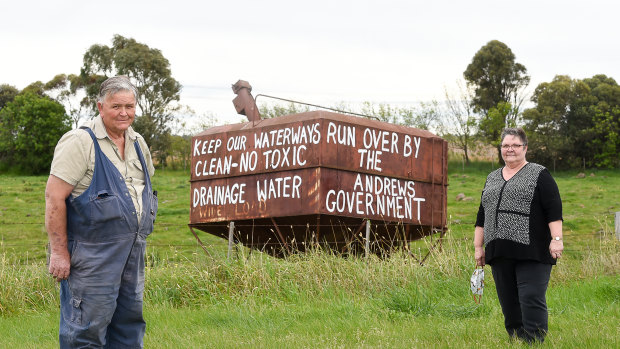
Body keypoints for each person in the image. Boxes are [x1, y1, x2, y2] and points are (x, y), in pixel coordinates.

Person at [45, 75, 157, 348]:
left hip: (132, 249)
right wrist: (59, 252)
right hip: (92, 254)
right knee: (86, 331)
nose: (124, 113)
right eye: (116, 106)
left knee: (129, 327)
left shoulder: (138, 142)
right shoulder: (80, 141)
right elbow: (54, 197)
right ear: (100, 106)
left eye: (129, 106)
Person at [474, 127, 563, 344]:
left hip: (533, 248)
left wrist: (556, 239)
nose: (510, 149)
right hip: (499, 250)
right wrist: (478, 247)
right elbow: (482, 213)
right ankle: (516, 338)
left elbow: (553, 208)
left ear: (525, 148)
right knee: (508, 300)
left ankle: (535, 341)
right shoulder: (492, 177)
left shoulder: (539, 173)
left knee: (530, 296)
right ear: (500, 149)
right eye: (505, 145)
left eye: (515, 145)